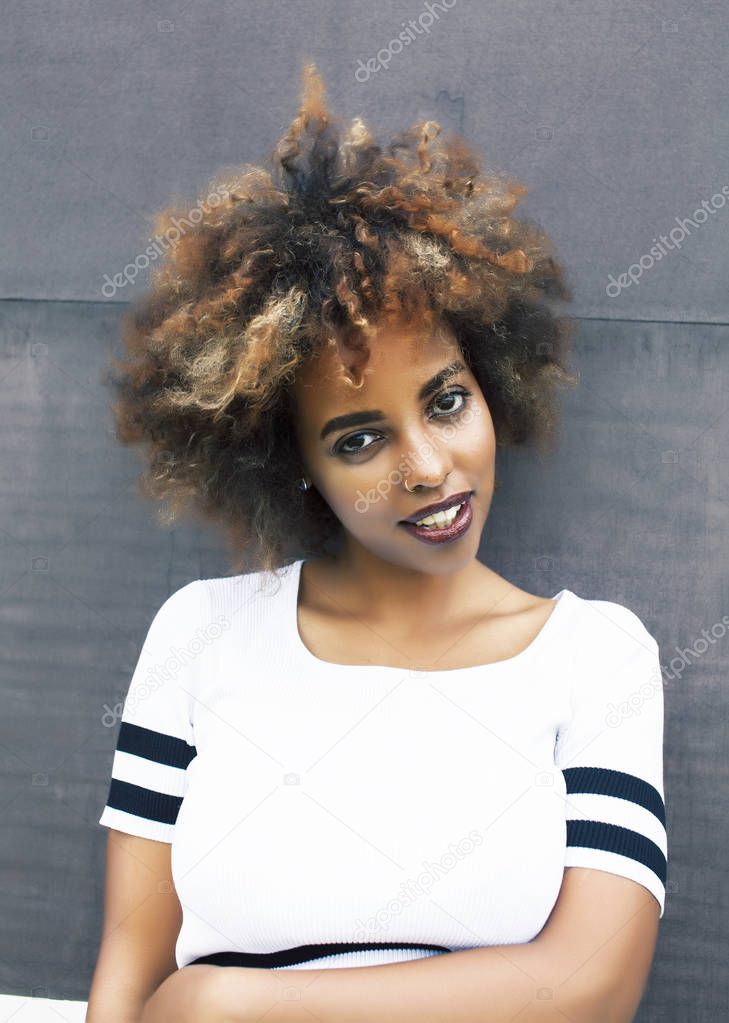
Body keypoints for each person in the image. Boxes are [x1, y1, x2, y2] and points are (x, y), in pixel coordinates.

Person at [87, 62, 667, 1023]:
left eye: (446, 402)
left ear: (492, 387)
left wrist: (232, 1006)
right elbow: (128, 967)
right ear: (296, 464)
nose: (429, 467)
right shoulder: (200, 634)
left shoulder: (596, 657)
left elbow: (588, 985)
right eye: (359, 440)